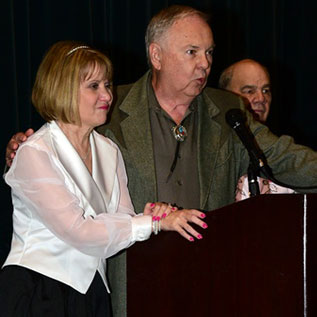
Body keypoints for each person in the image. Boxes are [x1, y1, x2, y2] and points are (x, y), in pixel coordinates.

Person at [5, 5, 317, 317]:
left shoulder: (227, 111)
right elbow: (56, 148)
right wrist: (20, 148)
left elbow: (283, 158)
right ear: (157, 56)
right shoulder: (109, 112)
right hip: (120, 291)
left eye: (209, 52)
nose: (205, 63)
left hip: (210, 285)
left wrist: (150, 215)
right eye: (192, 52)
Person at [0, 40, 207, 317]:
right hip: (40, 292)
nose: (107, 96)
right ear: (63, 89)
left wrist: (148, 215)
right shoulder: (35, 153)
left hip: (94, 295)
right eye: (94, 86)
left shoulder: (109, 150)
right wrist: (152, 222)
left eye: (107, 85)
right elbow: (80, 232)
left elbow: (122, 220)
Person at [218, 58, 295, 200]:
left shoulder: (283, 152)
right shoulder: (217, 150)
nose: (261, 98)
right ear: (225, 96)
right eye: (249, 91)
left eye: (266, 90)